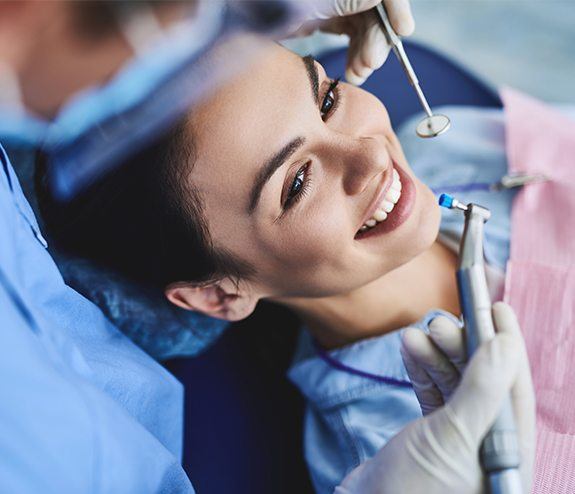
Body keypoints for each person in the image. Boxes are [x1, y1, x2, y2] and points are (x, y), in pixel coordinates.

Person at [3, 1, 530, 493]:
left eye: (326, 100)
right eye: (297, 183)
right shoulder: (384, 453)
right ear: (219, 295)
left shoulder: (473, 150)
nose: (369, 159)